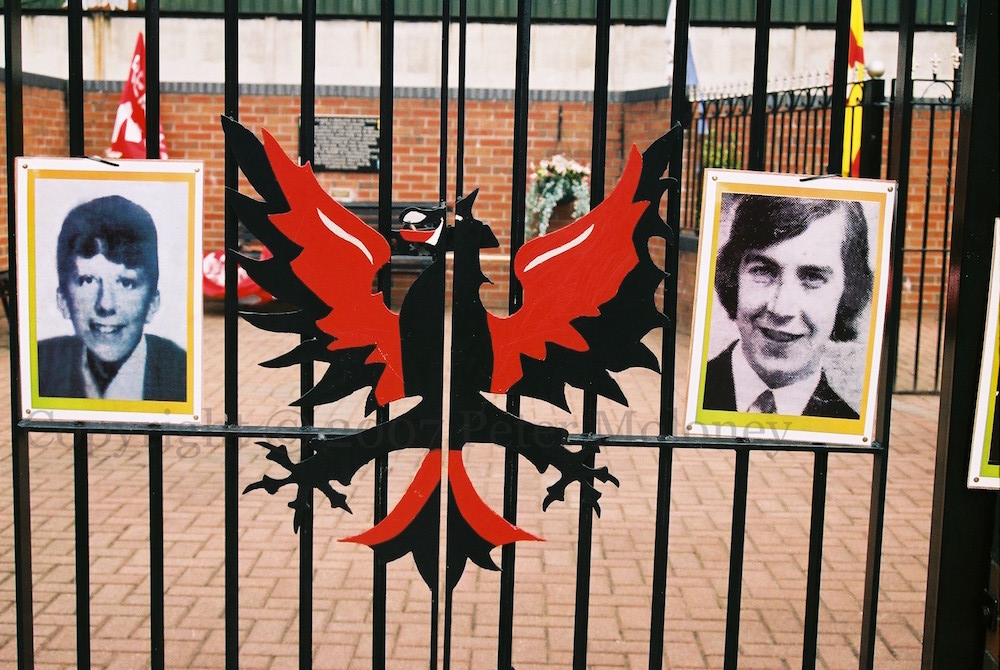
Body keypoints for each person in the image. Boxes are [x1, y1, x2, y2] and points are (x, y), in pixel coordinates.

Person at [702, 194, 873, 419]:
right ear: (734, 276)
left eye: (812, 277)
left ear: (848, 291)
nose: (781, 309)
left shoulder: (847, 424)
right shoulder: (693, 392)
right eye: (763, 270)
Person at [37, 195, 186, 401]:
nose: (106, 304)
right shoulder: (40, 366)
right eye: (88, 280)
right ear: (63, 300)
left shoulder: (181, 375)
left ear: (152, 303)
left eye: (126, 283)